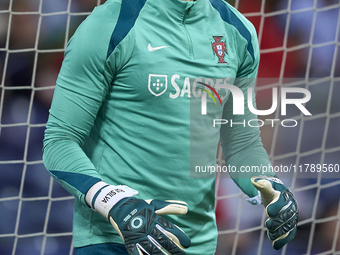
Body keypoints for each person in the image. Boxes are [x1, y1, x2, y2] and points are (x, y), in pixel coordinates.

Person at [42, 0, 298, 254]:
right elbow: (59, 141)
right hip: (114, 238)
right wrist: (115, 203)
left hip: (196, 243)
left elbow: (243, 143)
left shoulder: (239, 31)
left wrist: (269, 184)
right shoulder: (110, 23)